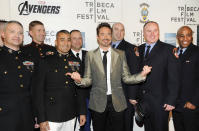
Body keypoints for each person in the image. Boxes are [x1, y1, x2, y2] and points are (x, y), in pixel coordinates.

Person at [67, 23, 152, 131]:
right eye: (102, 34)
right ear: (98, 37)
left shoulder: (120, 54)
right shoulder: (90, 55)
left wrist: (142, 75)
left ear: (111, 36)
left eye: (108, 34)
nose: (106, 37)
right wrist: (79, 80)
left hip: (118, 102)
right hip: (97, 103)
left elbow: (126, 78)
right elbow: (88, 80)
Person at [32, 30, 86, 131]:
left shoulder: (76, 61)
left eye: (68, 40)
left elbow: (80, 90)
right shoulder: (45, 61)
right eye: (62, 40)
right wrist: (41, 119)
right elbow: (38, 92)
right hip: (51, 116)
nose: (66, 43)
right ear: (56, 42)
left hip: (71, 113)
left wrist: (82, 111)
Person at [137, 21, 180, 131]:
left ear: (159, 32)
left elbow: (174, 78)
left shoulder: (169, 50)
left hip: (161, 103)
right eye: (149, 31)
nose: (152, 34)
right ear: (144, 33)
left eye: (155, 30)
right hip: (144, 102)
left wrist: (171, 100)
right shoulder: (139, 49)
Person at [0, 20, 34, 131]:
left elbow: (34, 88)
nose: (17, 35)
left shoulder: (28, 58)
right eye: (12, 32)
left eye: (20, 33)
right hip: (5, 118)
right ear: (3, 34)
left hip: (27, 117)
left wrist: (37, 115)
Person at [112, 22, 139, 131]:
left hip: (125, 98)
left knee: (125, 126)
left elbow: (134, 73)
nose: (119, 32)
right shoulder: (105, 47)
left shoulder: (130, 49)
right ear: (111, 31)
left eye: (122, 30)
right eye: (116, 29)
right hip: (108, 98)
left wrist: (132, 96)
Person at [172, 26, 199, 131]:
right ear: (177, 37)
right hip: (176, 106)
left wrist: (195, 102)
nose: (185, 39)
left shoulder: (197, 51)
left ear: (192, 37)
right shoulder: (173, 52)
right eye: (182, 36)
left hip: (191, 106)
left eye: (188, 35)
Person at [70, 30, 91, 131]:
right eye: (74, 38)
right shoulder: (66, 55)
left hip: (89, 99)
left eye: (80, 38)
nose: (77, 41)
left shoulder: (90, 55)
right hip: (72, 99)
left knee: (86, 127)